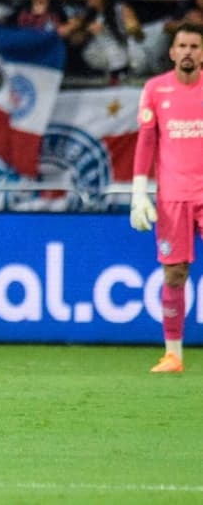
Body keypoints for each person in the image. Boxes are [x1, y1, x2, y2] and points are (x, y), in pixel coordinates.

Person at [130, 21, 203, 374]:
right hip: (173, 197)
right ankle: (173, 354)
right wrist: (139, 193)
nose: (188, 52)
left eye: (195, 46)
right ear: (172, 51)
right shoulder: (156, 90)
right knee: (175, 274)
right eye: (183, 46)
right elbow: (146, 142)